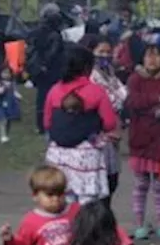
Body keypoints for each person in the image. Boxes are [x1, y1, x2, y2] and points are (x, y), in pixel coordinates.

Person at [43, 46, 118, 204]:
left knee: (63, 202)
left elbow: (47, 122)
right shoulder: (96, 91)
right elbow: (110, 123)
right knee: (88, 205)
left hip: (58, 155)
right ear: (87, 67)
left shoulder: (54, 90)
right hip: (86, 156)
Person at [125, 43, 160, 240]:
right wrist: (156, 100)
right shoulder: (134, 79)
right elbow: (133, 102)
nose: (152, 60)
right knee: (140, 184)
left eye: (156, 56)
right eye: (148, 55)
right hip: (139, 137)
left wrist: (153, 103)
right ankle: (139, 224)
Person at [83, 35, 128, 207]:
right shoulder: (91, 77)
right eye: (101, 52)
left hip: (115, 130)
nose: (105, 56)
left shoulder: (110, 74)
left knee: (112, 177)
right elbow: (112, 99)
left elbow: (123, 95)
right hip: (100, 132)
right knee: (104, 179)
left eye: (109, 52)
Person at [27, 4, 68, 134]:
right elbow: (54, 52)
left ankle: (41, 124)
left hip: (39, 69)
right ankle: (50, 122)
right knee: (52, 96)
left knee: (42, 97)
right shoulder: (55, 35)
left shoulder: (36, 32)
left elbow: (30, 49)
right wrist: (46, 64)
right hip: (51, 69)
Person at [0, 64, 22, 144]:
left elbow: (15, 92)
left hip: (10, 104)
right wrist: (2, 89)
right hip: (0, 105)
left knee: (8, 120)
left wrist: (18, 96)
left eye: (8, 73)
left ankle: (6, 134)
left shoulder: (12, 83)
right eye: (4, 73)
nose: (6, 75)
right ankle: (2, 135)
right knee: (3, 119)